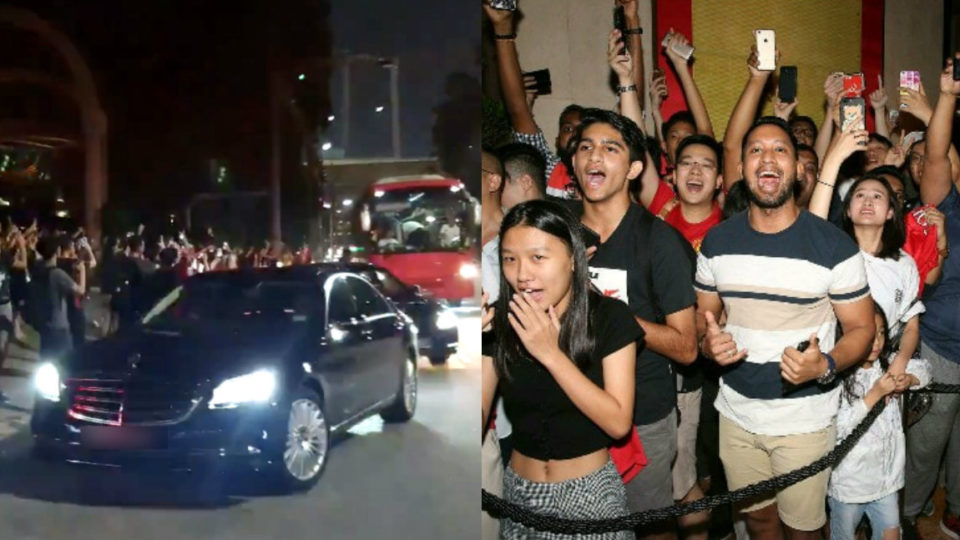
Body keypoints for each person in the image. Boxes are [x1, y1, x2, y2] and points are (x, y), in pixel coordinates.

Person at [696, 116, 875, 540]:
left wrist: (825, 364)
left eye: (780, 149)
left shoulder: (834, 246)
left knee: (803, 529)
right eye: (755, 150)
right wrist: (708, 345)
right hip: (737, 414)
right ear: (741, 168)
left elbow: (862, 329)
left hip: (804, 419)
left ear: (797, 169)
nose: (767, 158)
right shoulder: (717, 243)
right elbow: (703, 324)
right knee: (759, 522)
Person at [570, 108, 698, 540]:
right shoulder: (557, 233)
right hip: (570, 407)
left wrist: (610, 312)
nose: (594, 157)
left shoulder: (659, 241)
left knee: (649, 528)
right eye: (585, 147)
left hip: (642, 416)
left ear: (634, 169)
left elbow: (686, 347)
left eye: (610, 148)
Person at [482, 199, 641, 540]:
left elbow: (618, 422)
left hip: (588, 493)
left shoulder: (609, 317)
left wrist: (552, 355)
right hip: (520, 492)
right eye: (510, 259)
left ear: (573, 258)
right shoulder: (500, 321)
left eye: (538, 257)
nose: (522, 275)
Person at [901, 54, 960, 540]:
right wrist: (947, 98)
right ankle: (907, 512)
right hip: (942, 345)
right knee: (927, 442)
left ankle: (955, 508)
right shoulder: (947, 206)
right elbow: (939, 155)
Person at [828, 304, 930, 540]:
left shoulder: (888, 365)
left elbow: (925, 369)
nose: (876, 342)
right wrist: (874, 395)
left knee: (891, 535)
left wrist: (910, 379)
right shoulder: (837, 379)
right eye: (870, 334)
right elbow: (837, 430)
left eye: (882, 333)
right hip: (850, 485)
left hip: (886, 481)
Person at [31, 236, 85, 359]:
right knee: (65, 361)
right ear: (57, 251)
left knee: (46, 358)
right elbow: (80, 291)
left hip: (43, 323)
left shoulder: (37, 270)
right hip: (59, 325)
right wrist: (82, 271)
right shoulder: (57, 274)